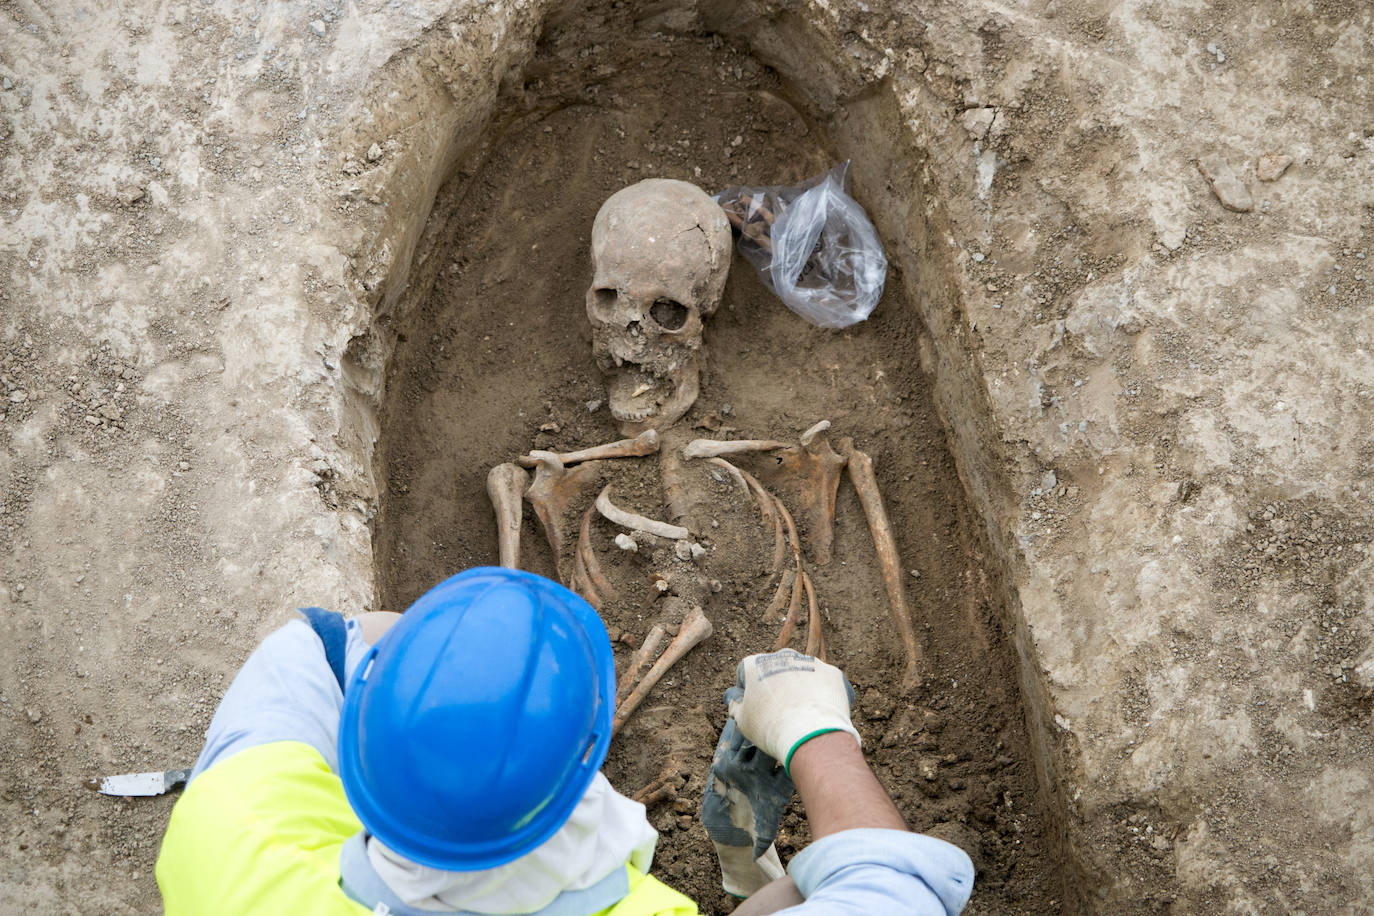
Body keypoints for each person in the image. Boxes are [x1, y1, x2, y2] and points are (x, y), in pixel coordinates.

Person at [156, 566, 973, 914]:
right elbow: (898, 890)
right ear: (592, 764)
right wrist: (814, 729)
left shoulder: (228, 835)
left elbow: (318, 646)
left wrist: (466, 663)